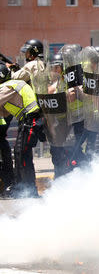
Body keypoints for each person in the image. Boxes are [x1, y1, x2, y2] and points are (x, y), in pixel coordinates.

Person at [0, 69, 45, 197]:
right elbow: (5, 112)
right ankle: (24, 188)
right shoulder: (11, 85)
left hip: (30, 120)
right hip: (29, 120)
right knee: (21, 152)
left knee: (22, 153)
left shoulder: (6, 87)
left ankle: (28, 190)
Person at [0, 64, 14, 195]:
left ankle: (8, 184)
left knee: (5, 161)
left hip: (1, 134)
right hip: (2, 138)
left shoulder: (4, 90)